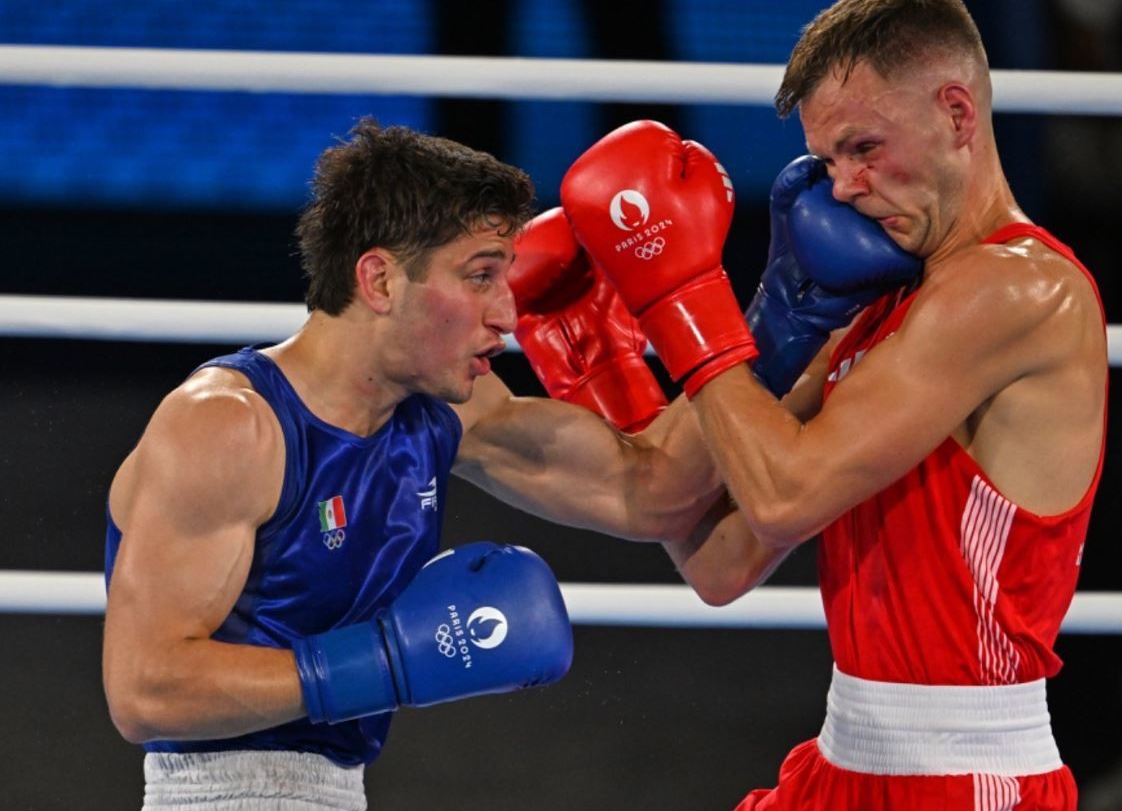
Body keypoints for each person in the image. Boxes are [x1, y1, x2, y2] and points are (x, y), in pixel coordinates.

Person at [560, 0, 1108, 810]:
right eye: (826, 160)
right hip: (842, 761)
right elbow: (718, 558)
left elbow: (782, 497)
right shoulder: (882, 303)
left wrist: (683, 297)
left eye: (864, 149)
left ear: (957, 115)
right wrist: (611, 365)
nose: (843, 186)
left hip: (964, 777)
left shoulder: (1016, 289)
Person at [101, 118, 728, 809]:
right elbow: (145, 689)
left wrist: (790, 312)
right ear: (379, 279)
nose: (507, 314)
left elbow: (654, 492)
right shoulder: (227, 425)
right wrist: (385, 664)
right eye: (481, 275)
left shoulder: (447, 410)